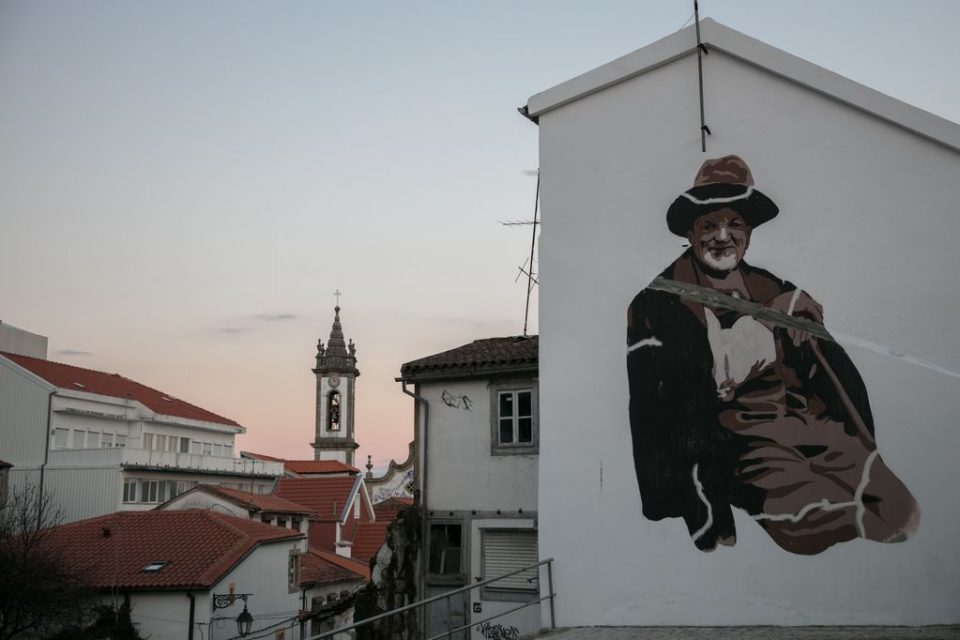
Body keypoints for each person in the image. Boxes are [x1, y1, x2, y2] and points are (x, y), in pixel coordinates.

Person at [625, 155, 919, 555]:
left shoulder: (774, 288)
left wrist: (853, 435)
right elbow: (656, 410)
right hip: (742, 447)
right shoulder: (656, 304)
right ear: (692, 235)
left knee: (903, 513)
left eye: (735, 225)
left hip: (812, 427)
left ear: (749, 233)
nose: (722, 237)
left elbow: (826, 368)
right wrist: (699, 504)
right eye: (709, 225)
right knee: (810, 525)